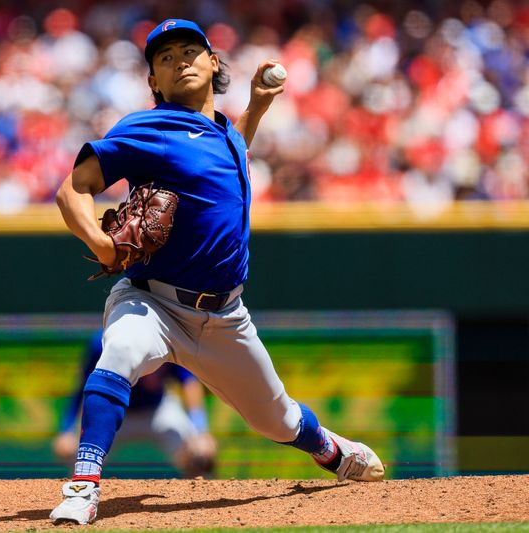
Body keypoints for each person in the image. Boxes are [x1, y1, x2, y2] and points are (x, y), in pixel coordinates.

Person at [51, 18, 385, 525]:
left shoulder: (225, 130)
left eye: (190, 50)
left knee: (278, 419)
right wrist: (99, 242)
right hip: (153, 300)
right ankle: (83, 483)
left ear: (213, 63)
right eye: (165, 58)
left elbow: (232, 146)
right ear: (153, 83)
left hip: (226, 315)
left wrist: (257, 105)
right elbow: (72, 189)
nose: (179, 60)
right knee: (119, 350)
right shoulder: (147, 128)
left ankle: (330, 450)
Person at [53, 330, 217, 479]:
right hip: (114, 412)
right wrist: (67, 430)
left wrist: (200, 429)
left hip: (159, 410)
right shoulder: (102, 342)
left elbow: (188, 382)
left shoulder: (167, 339)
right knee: (78, 455)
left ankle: (202, 503)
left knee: (199, 453)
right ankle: (77, 498)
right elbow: (84, 386)